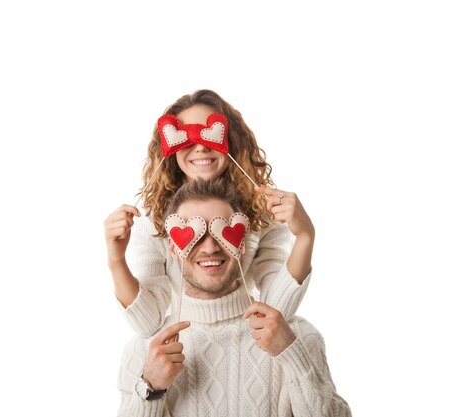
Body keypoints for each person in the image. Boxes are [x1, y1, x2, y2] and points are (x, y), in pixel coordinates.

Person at [117, 179, 351, 416]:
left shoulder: (295, 337)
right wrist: (150, 389)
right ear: (173, 248)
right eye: (194, 234)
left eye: (221, 232)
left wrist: (292, 355)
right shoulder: (146, 351)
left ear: (242, 244)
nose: (210, 248)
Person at [105, 90, 315, 338]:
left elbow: (277, 311)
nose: (201, 146)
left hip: (249, 338)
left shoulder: (263, 212)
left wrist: (305, 237)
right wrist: (116, 261)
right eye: (186, 137)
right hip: (186, 344)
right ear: (170, 145)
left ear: (231, 141)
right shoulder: (152, 219)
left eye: (210, 134)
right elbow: (147, 324)